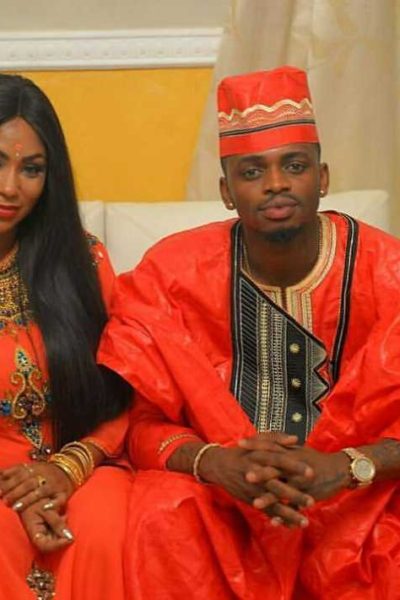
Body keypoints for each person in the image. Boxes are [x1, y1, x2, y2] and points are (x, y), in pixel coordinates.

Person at [98, 66, 400, 599]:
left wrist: (350, 466)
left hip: (357, 494)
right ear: (226, 190)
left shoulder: (388, 271)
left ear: (323, 178)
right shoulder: (171, 274)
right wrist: (213, 462)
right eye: (252, 171)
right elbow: (140, 425)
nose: (276, 183)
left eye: (295, 166)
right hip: (223, 498)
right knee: (161, 511)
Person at [0, 73, 133, 600]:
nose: (11, 187)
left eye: (31, 169)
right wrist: (20, 487)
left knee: (106, 528)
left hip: (82, 465)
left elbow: (125, 389)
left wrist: (66, 468)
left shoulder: (82, 260)